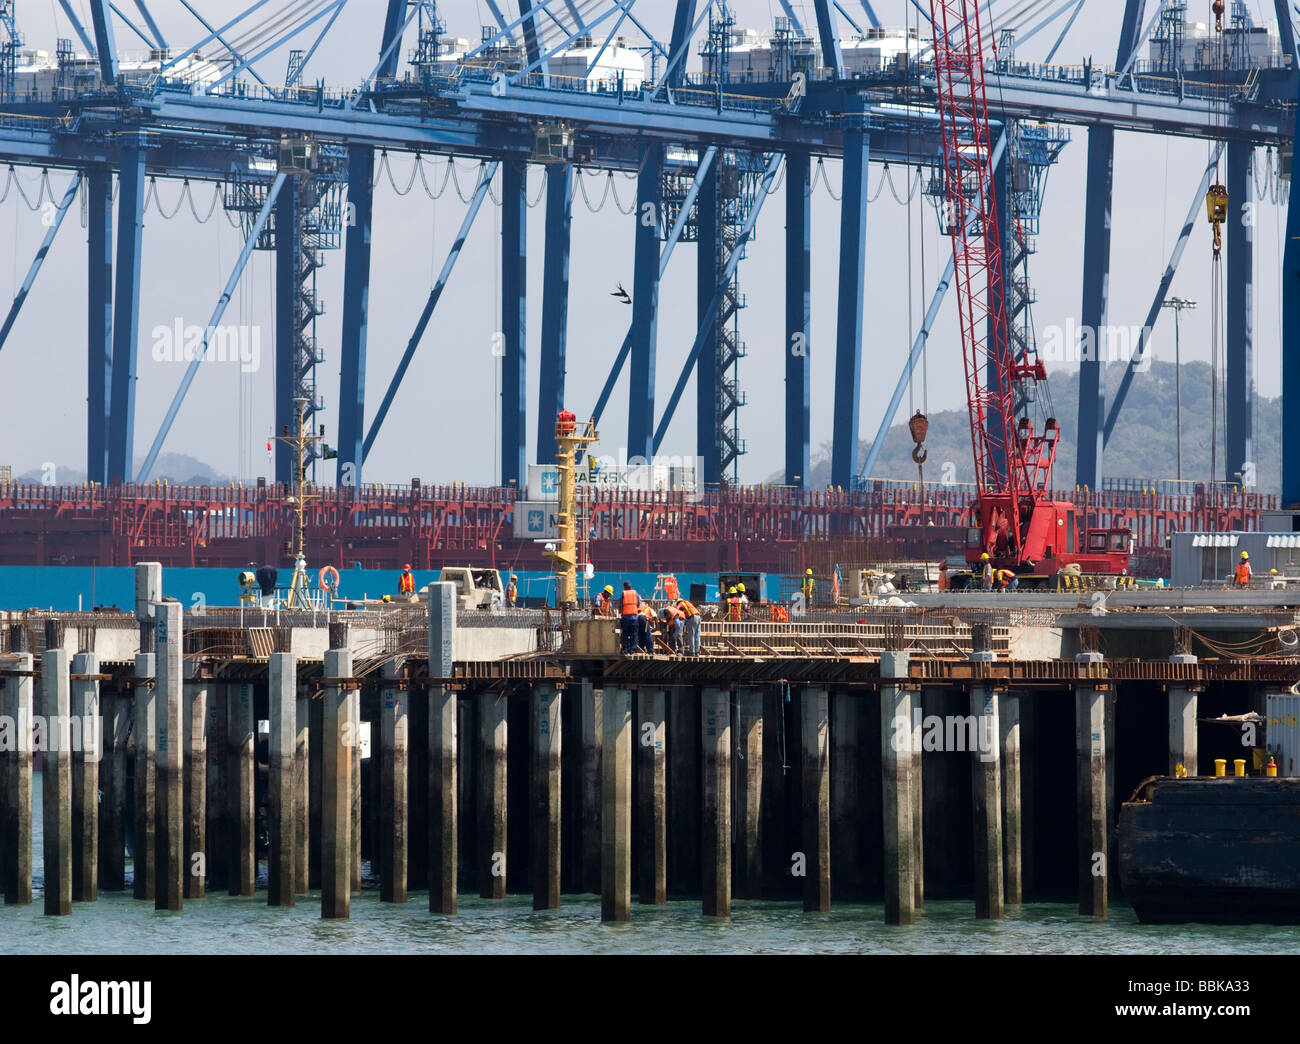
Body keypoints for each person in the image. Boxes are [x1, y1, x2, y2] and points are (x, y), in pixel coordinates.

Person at [619, 581, 641, 653]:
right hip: (634, 617)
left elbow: (621, 605)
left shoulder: (624, 593)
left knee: (625, 634)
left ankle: (625, 649)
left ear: (624, 587)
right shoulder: (635, 593)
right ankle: (632, 650)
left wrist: (621, 612)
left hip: (625, 617)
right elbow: (638, 604)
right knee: (634, 634)